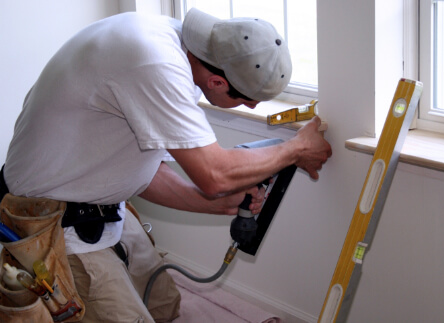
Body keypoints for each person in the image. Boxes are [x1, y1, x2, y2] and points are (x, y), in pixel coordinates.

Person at [1, 8, 331, 323]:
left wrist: (214, 206)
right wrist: (297, 148)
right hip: (52, 220)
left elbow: (151, 171)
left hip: (99, 204)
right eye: (246, 99)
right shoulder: (154, 62)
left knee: (164, 305)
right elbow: (215, 174)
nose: (253, 105)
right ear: (217, 82)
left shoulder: (175, 50)